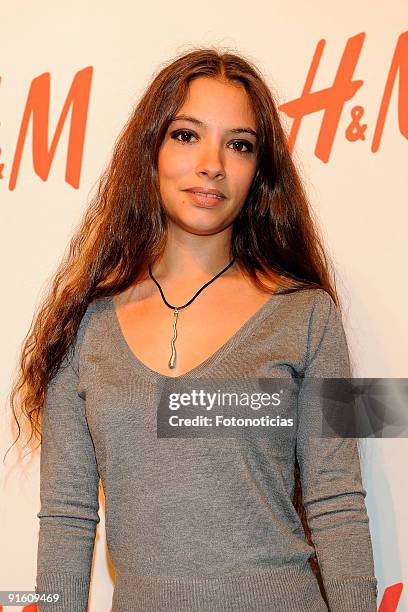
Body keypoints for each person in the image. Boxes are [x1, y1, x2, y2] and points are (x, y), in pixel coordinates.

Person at [9, 47, 378, 611]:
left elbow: (338, 501)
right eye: (187, 135)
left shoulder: (309, 314)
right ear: (150, 149)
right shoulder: (82, 325)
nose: (213, 163)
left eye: (239, 144)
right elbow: (67, 518)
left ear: (259, 172)